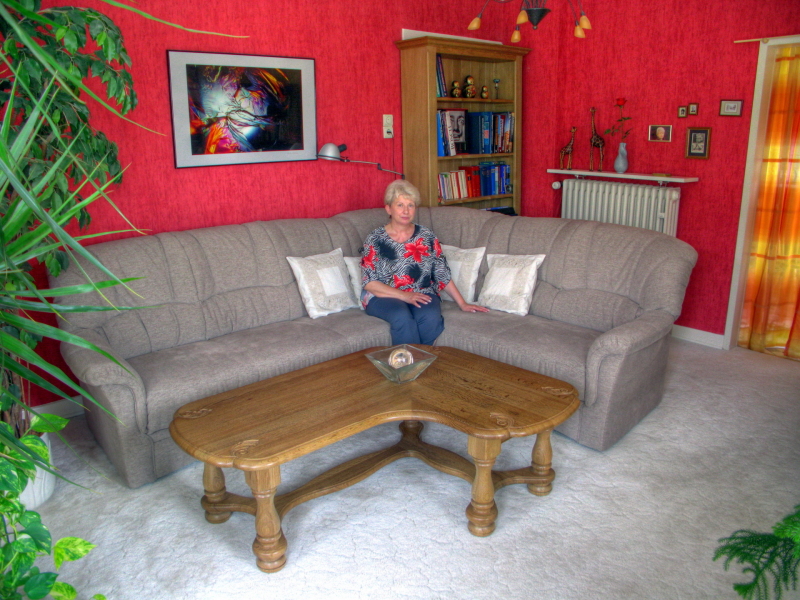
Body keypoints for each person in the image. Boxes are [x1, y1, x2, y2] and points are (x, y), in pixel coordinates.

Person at [361, 180, 488, 345]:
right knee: (402, 317)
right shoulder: (375, 238)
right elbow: (369, 283)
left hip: (421, 292)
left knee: (429, 318)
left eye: (411, 205)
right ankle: (409, 361)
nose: (406, 211)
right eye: (400, 205)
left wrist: (462, 303)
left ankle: (426, 359)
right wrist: (405, 296)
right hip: (383, 296)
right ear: (388, 209)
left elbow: (442, 273)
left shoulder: (426, 236)